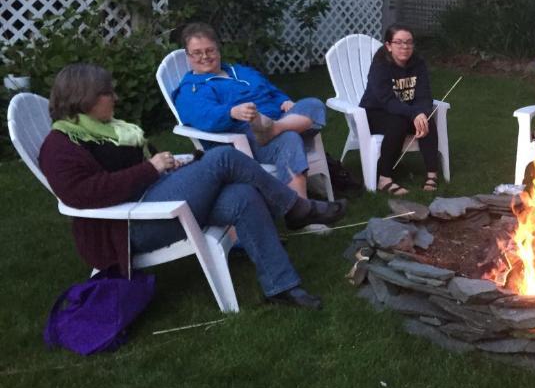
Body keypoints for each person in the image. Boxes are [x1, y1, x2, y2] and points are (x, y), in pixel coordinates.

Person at [38, 64, 345, 309]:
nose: (115, 98)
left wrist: (171, 164)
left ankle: (281, 286)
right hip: (130, 227)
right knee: (224, 157)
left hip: (153, 197)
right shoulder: (60, 146)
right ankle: (295, 207)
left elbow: (135, 170)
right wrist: (149, 168)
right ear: (85, 98)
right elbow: (83, 194)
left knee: (242, 195)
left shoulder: (110, 130)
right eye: (108, 93)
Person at [172, 22, 330, 199]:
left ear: (218, 50)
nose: (205, 57)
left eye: (210, 50)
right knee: (290, 139)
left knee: (314, 104)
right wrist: (231, 113)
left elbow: (271, 91)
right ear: (188, 56)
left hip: (278, 121)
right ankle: (301, 205)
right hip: (247, 140)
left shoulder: (241, 71)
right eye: (197, 53)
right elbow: (203, 115)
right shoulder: (192, 89)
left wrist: (284, 101)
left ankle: (274, 128)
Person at [359, 24, 439, 195]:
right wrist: (413, 113)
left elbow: (424, 95)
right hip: (375, 113)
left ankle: (432, 174)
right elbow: (387, 101)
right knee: (398, 122)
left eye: (409, 42)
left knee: (426, 120)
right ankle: (384, 179)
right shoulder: (380, 66)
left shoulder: (418, 63)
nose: (405, 46)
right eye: (399, 42)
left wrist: (421, 113)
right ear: (389, 45)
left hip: (404, 110)